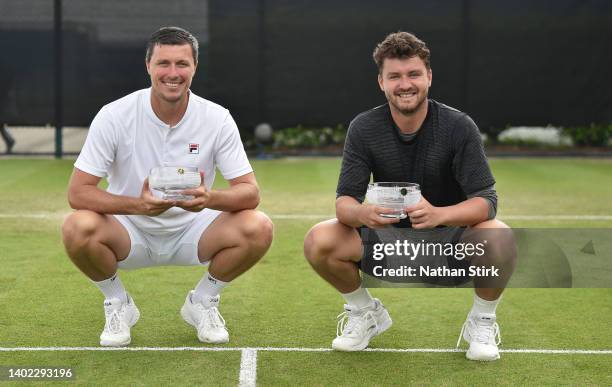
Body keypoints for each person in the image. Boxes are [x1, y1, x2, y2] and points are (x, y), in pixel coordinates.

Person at [303, 31, 516, 361]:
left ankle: (482, 321)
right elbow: (344, 201)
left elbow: (487, 201)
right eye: (395, 76)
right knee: (319, 239)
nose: (405, 84)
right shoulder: (364, 127)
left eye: (414, 74)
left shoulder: (459, 126)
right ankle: (365, 313)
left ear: (429, 77)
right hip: (388, 242)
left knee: (499, 236)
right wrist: (364, 215)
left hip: (448, 244)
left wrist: (438, 215)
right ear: (381, 82)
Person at [62, 27, 273, 347]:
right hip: (129, 230)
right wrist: (138, 205)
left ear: (194, 68)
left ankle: (202, 301)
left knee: (258, 227)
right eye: (163, 63)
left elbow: (250, 192)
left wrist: (209, 198)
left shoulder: (217, 118)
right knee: (77, 227)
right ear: (148, 65)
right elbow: (78, 193)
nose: (172, 73)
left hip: (195, 230)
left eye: (181, 64)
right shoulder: (114, 115)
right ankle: (117, 302)